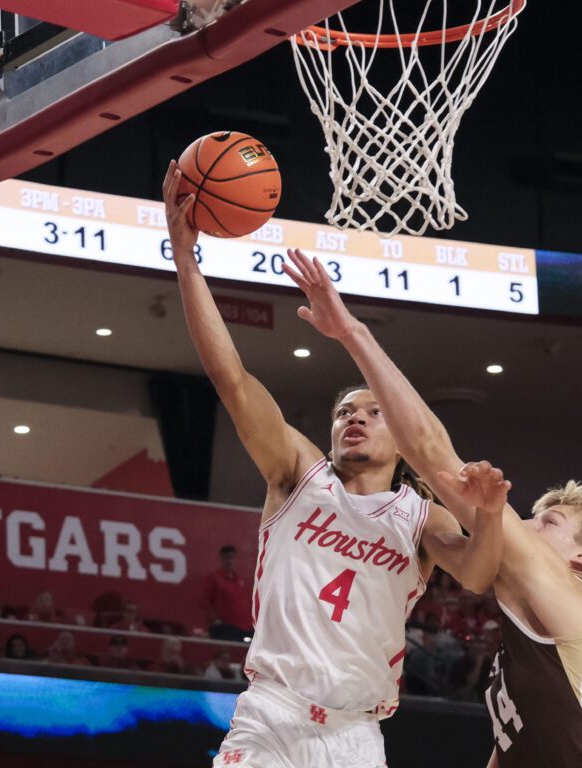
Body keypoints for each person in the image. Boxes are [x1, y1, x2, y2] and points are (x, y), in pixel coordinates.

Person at [162, 164, 507, 768]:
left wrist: (493, 515)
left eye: (374, 412)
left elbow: (478, 575)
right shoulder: (299, 473)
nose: (355, 418)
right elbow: (232, 379)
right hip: (272, 712)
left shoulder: (419, 519)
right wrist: (186, 260)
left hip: (355, 733)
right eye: (346, 410)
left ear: (403, 440)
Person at [283, 248, 582, 768]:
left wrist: (353, 332)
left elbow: (430, 450)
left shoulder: (569, 605)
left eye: (549, 523)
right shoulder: (520, 659)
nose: (527, 525)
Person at [201, 544, 253, 642]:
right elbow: (204, 601)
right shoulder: (213, 578)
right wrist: (215, 621)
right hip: (226, 628)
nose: (229, 561)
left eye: (231, 558)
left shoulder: (241, 581)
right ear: (221, 559)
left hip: (245, 629)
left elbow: (248, 602)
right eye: (226, 558)